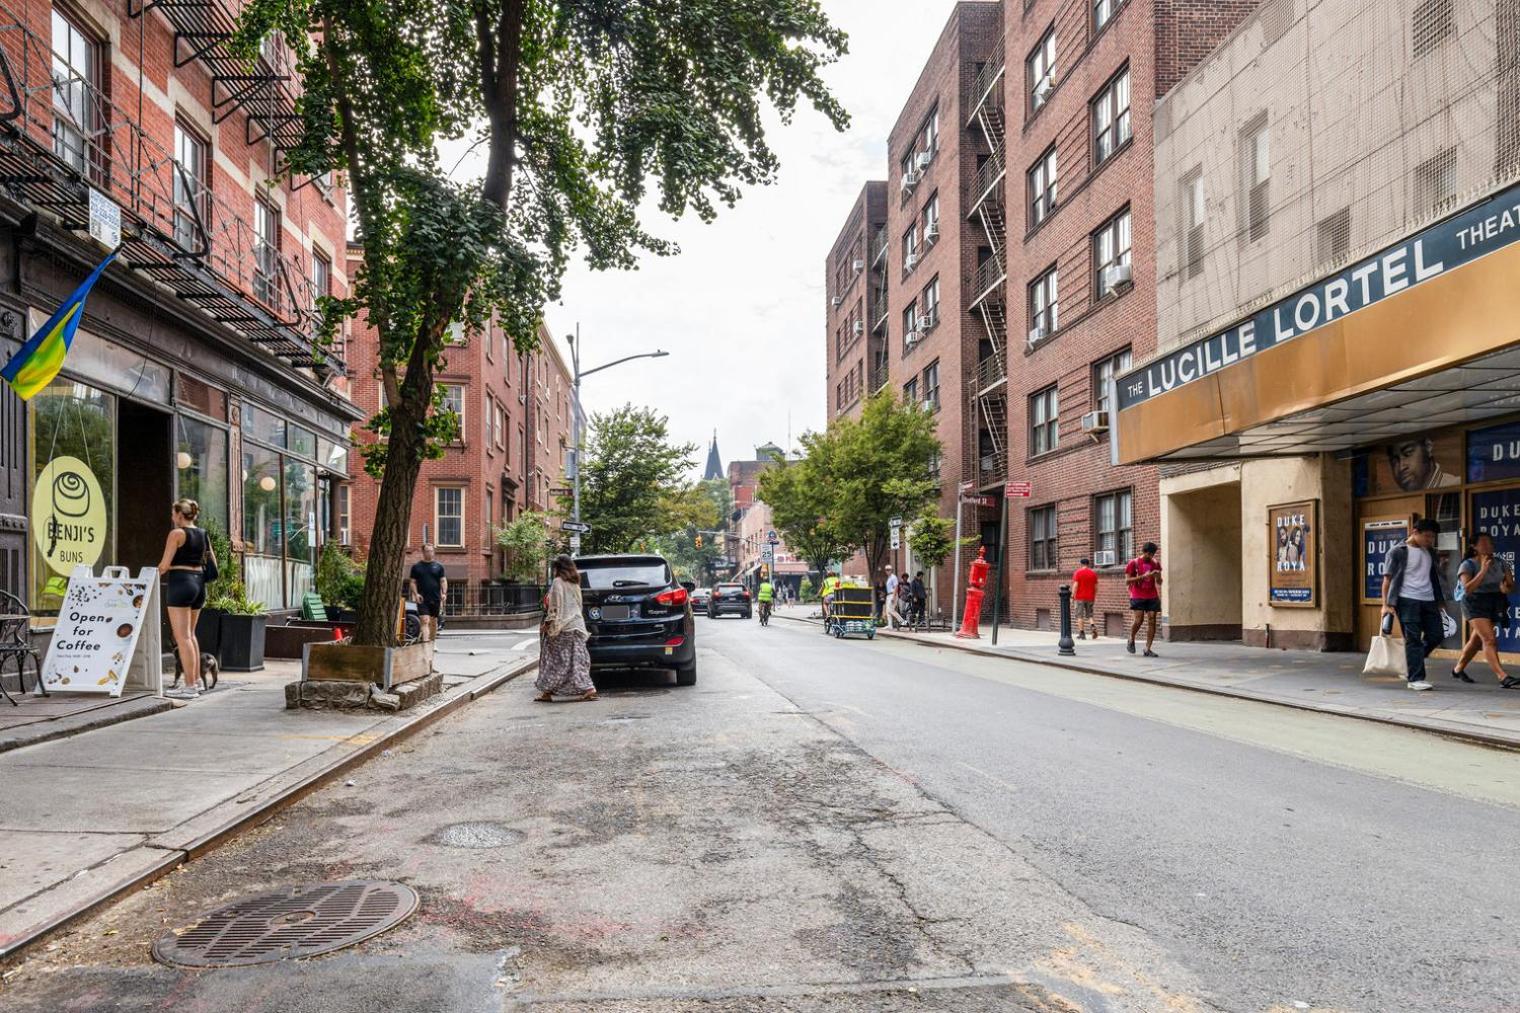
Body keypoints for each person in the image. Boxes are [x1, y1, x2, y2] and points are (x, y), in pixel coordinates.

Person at [157, 498, 214, 700]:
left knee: (182, 637)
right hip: (199, 584)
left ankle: (189, 686)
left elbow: (164, 565)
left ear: (180, 515)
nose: (172, 518)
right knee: (190, 634)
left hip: (181, 583)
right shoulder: (202, 534)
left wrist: (149, 575)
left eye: (174, 514)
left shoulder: (176, 534)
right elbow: (210, 561)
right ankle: (196, 682)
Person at [1380, 517, 1447, 691]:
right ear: (1414, 532)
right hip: (1406, 600)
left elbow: (1433, 578)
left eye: (1432, 537)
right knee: (1413, 639)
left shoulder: (1429, 552)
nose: (1429, 540)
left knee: (1437, 635)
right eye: (1427, 536)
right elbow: (1387, 579)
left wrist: (1439, 601)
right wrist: (1385, 604)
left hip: (1429, 600)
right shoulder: (1397, 551)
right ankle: (1415, 678)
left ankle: (1411, 663)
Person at [1453, 532, 1519, 688]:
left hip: (1494, 601)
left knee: (1476, 640)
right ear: (1474, 547)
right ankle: (1502, 676)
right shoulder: (1468, 565)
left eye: (1490, 542)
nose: (1488, 546)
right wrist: (1483, 570)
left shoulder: (1501, 562)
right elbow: (1467, 589)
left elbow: (1510, 586)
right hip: (1473, 602)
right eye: (1483, 543)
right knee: (1489, 639)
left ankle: (1458, 670)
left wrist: (1506, 587)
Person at [535, 554, 596, 702]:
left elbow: (555, 607)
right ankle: (588, 688)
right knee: (578, 659)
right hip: (577, 625)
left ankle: (547, 691)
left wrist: (547, 624)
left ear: (558, 567)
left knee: (553, 659)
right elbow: (578, 605)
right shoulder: (575, 583)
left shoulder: (558, 582)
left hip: (562, 627)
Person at [1125, 542, 1163, 657]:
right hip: (1137, 595)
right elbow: (1127, 581)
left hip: (1152, 595)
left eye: (1152, 554)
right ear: (1144, 552)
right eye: (1149, 554)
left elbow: (1160, 582)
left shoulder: (1156, 563)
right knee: (1139, 620)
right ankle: (1131, 638)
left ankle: (1147, 649)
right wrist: (1143, 576)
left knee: (1152, 620)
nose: (1151, 557)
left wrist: (1157, 577)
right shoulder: (1134, 563)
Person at [1385, 438, 1459, 491]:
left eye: (1408, 453)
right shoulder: (1398, 504)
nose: (1401, 467)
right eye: (1394, 461)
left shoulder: (1456, 487)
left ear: (1428, 447)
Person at [408, 544, 447, 642]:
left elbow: (443, 580)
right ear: (423, 552)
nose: (429, 553)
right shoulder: (416, 567)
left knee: (433, 622)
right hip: (422, 598)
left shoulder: (439, 567)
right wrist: (416, 594)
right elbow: (412, 582)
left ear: (433, 552)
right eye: (427, 551)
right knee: (425, 621)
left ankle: (432, 643)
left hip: (435, 598)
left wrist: (444, 593)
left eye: (431, 551)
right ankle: (425, 643)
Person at [1072, 557, 1099, 640]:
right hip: (1090, 597)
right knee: (1090, 615)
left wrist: (1072, 595)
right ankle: (1092, 626)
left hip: (1080, 597)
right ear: (1088, 564)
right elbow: (1096, 587)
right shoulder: (1093, 574)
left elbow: (1075, 585)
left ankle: (1082, 633)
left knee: (1079, 616)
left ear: (1081, 564)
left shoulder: (1078, 573)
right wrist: (1094, 595)